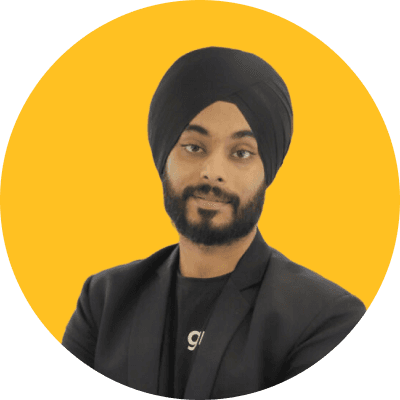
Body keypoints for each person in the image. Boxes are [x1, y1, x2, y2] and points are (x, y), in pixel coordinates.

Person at [62, 47, 366, 399]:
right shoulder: (104, 302)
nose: (213, 172)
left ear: (267, 171)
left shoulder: (325, 319)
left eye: (241, 153)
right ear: (164, 158)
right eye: (194, 147)